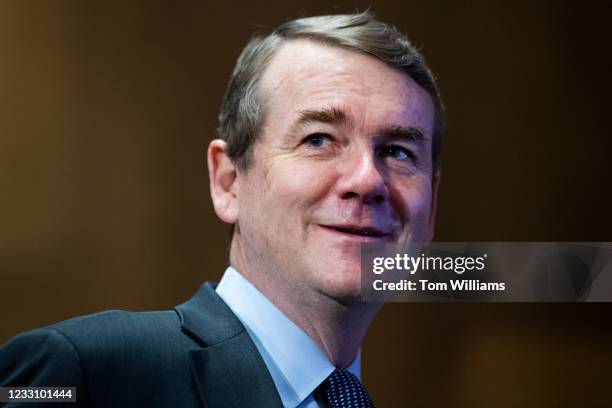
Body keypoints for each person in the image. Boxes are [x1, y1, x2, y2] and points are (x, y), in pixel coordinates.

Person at [0, 11, 444, 407]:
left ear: (431, 208)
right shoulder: (84, 374)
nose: (367, 180)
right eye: (318, 140)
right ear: (228, 181)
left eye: (399, 151)